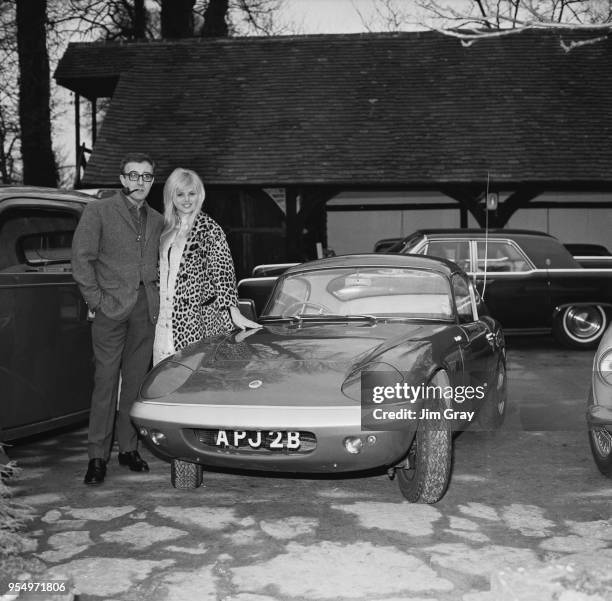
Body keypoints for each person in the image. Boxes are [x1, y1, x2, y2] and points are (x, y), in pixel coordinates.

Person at [72, 152, 164, 485]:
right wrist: (96, 301)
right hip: (110, 309)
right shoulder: (97, 211)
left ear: (152, 181)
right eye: (134, 175)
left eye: (147, 176)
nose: (140, 182)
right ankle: (97, 456)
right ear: (122, 179)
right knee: (106, 383)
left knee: (136, 384)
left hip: (145, 310)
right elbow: (81, 260)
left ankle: (128, 448)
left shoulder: (156, 219)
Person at [153, 167, 260, 365]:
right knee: (161, 383)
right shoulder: (163, 229)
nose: (187, 199)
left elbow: (224, 273)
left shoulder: (210, 229)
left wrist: (234, 311)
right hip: (162, 323)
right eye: (180, 194)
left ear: (199, 195)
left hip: (195, 324)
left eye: (191, 193)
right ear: (171, 196)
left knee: (189, 383)